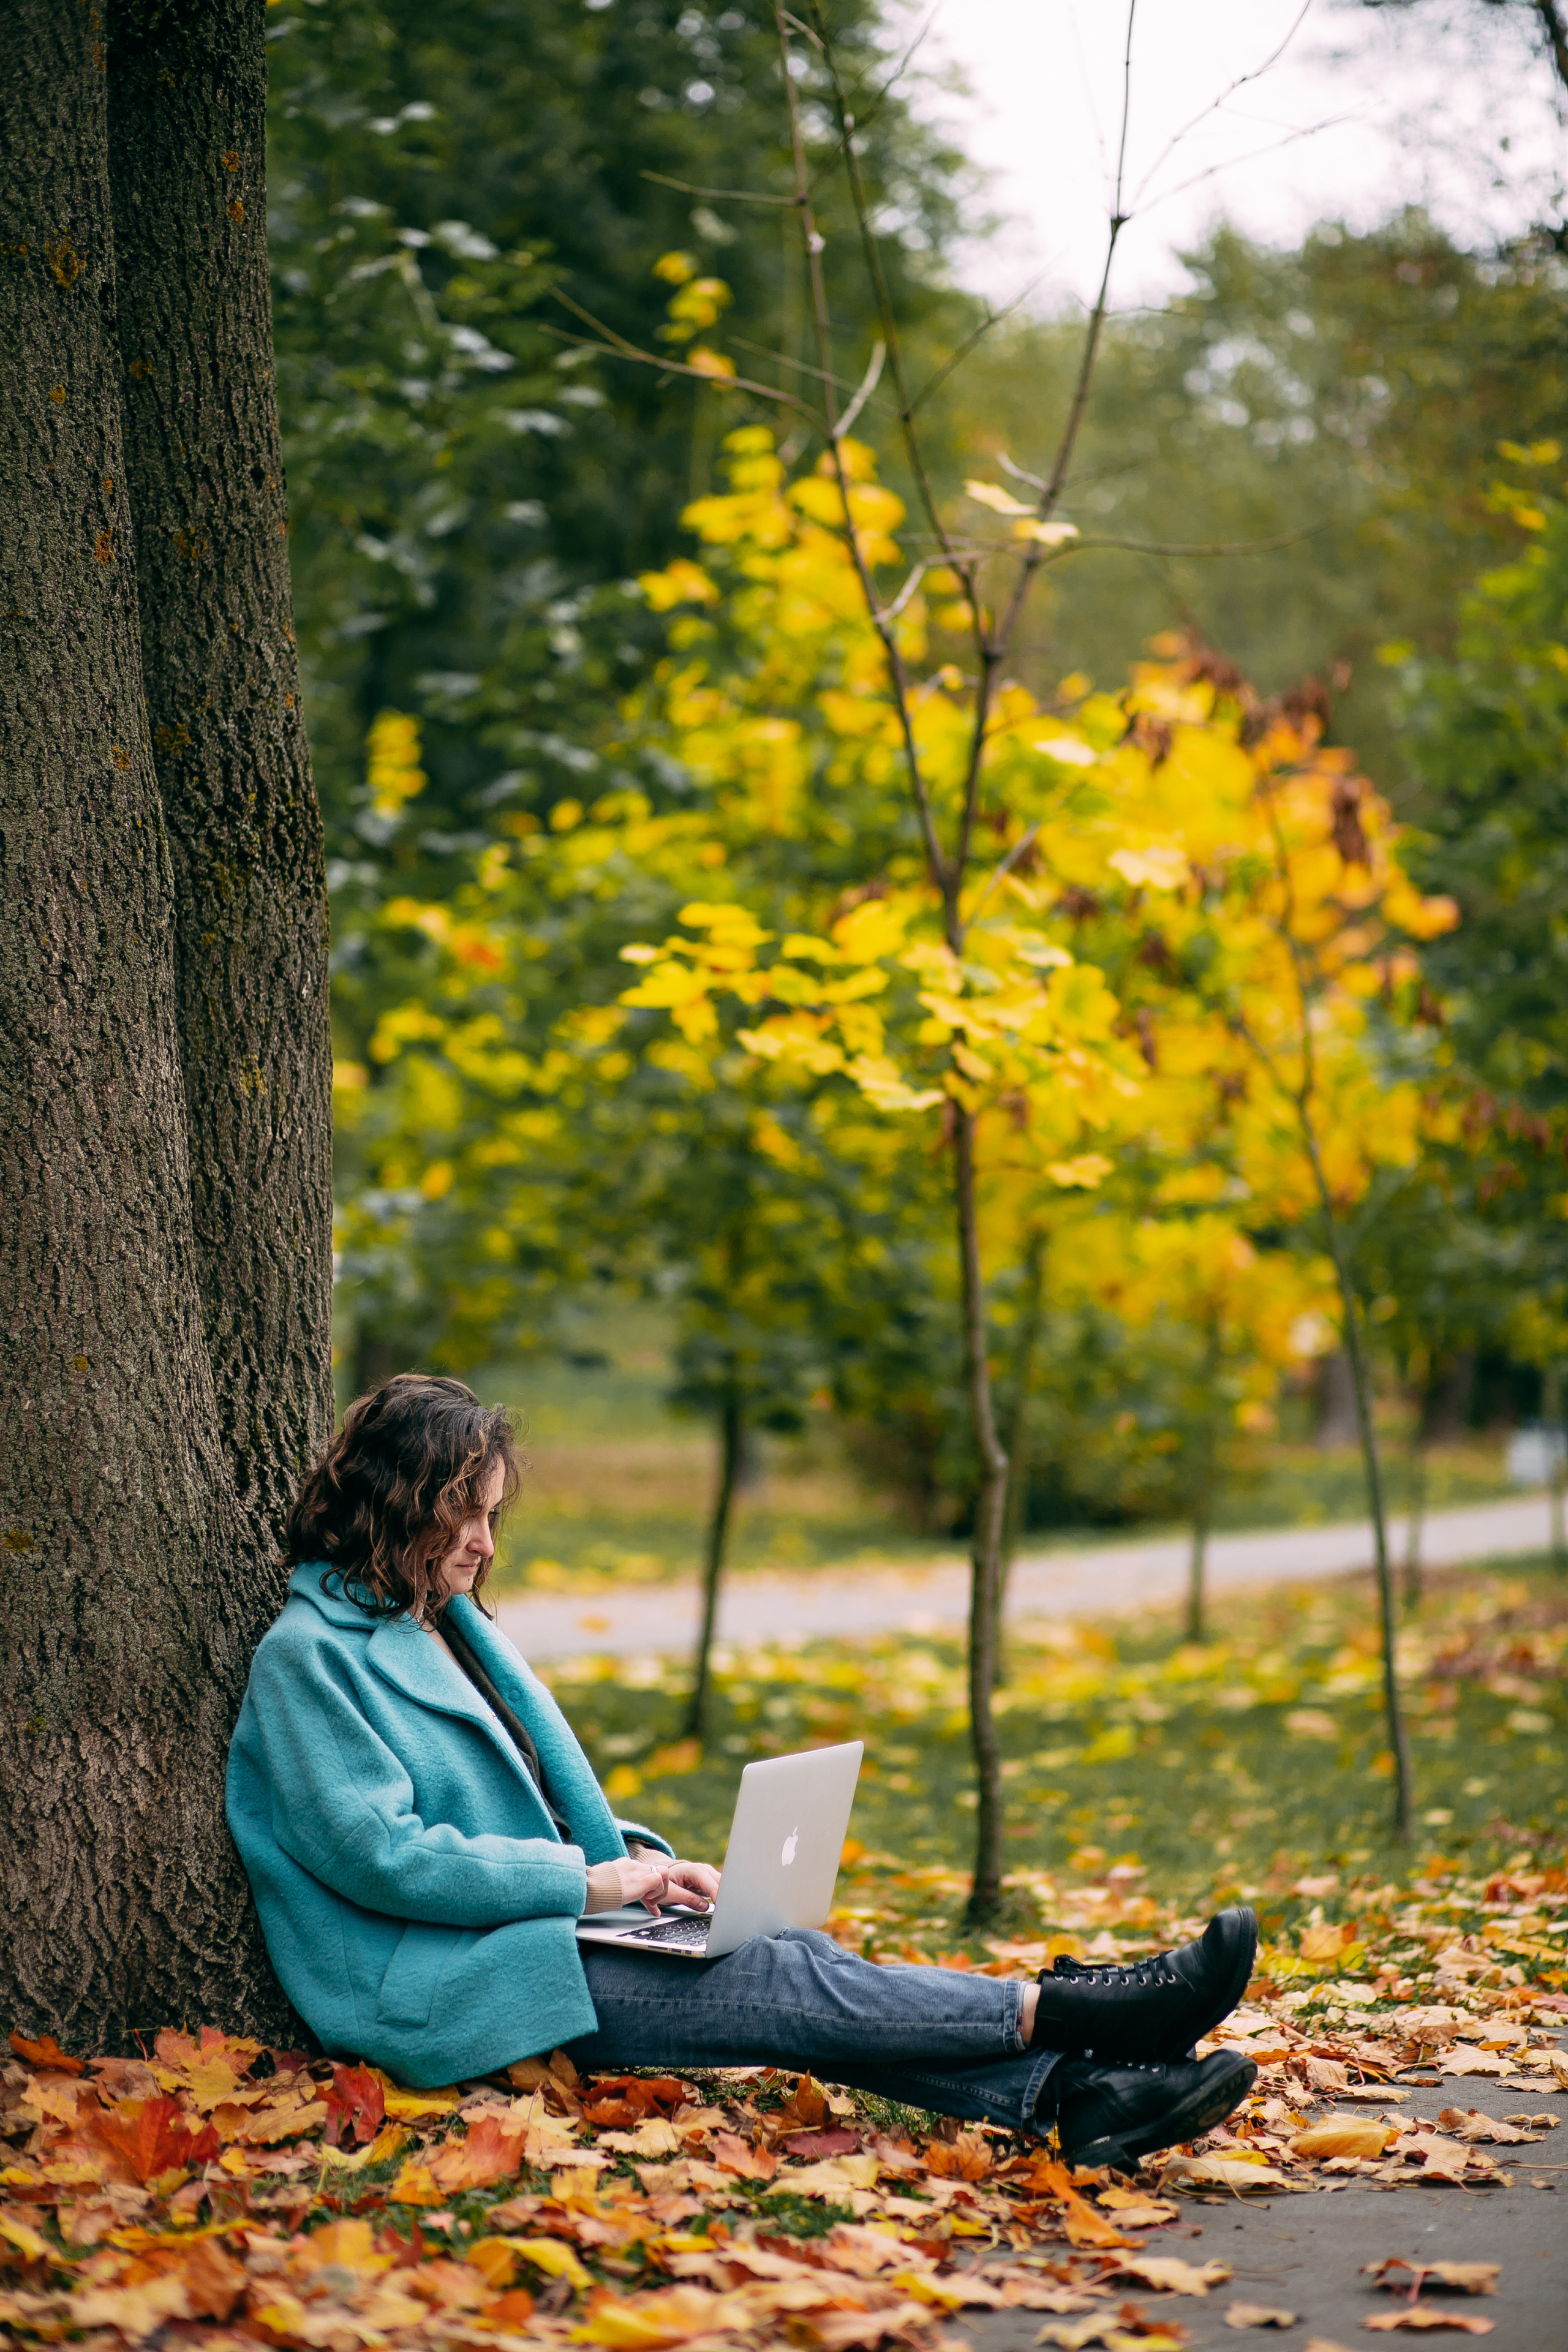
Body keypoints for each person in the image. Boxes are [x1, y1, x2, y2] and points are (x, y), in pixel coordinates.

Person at [227, 1375, 1257, 2173]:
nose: (487, 1545)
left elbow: (535, 1804)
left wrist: (644, 1870)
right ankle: (1085, 2010)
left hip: (536, 1932)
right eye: (469, 1517)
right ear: (401, 1504)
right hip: (433, 1984)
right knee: (785, 1980)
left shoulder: (441, 1625)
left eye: (494, 1515)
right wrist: (591, 1888)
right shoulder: (309, 1657)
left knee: (786, 1964)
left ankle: (1080, 2100)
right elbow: (379, 1857)